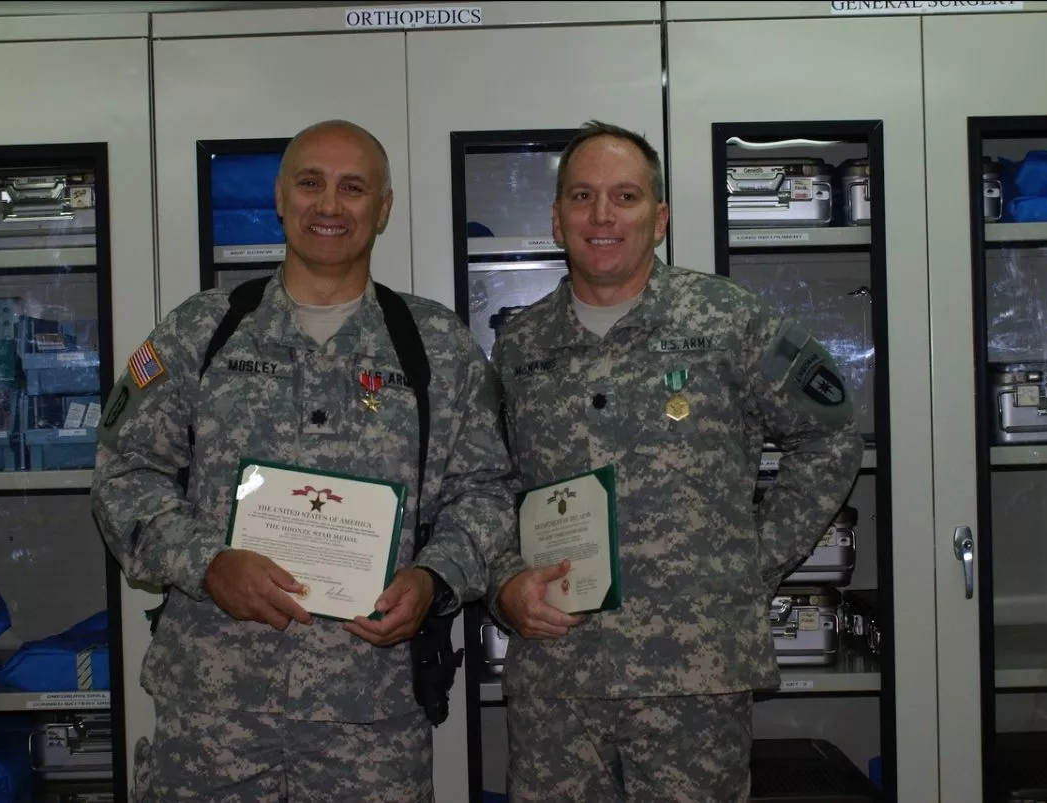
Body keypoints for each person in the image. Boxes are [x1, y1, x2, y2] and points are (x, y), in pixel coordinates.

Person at [91, 119, 517, 803]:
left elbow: (489, 494)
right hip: (213, 719)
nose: (329, 205)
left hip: (371, 722)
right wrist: (206, 562)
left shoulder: (435, 346)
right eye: (310, 183)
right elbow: (122, 473)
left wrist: (436, 578)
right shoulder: (200, 331)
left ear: (383, 209)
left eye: (354, 188)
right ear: (280, 199)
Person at [486, 120, 865, 802]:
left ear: (658, 218)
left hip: (693, 674)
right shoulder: (520, 343)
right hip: (558, 677)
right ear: (555, 217)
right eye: (582, 196)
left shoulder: (730, 319)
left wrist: (752, 558)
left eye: (625, 197)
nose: (602, 216)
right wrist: (507, 579)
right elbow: (493, 485)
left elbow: (832, 429)